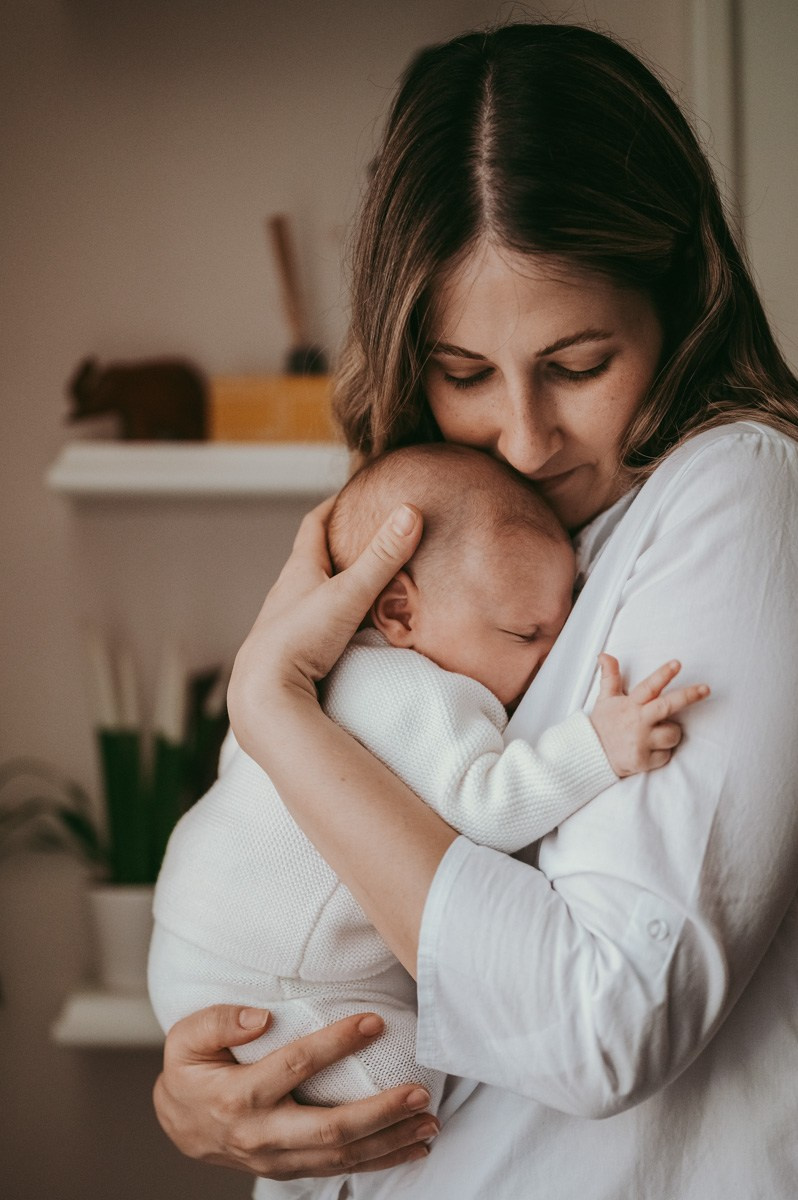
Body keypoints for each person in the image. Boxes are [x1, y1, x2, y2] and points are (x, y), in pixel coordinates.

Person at [152, 21, 798, 1200]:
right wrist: (212, 1091)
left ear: (679, 299)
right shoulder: (447, 524)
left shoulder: (737, 491)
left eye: (578, 364)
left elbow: (604, 1025)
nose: (525, 438)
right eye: (463, 375)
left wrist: (272, 711)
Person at [148, 442, 707, 1196]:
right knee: (405, 1091)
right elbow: (488, 804)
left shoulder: (321, 670)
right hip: (275, 985)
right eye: (526, 635)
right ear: (400, 611)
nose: (549, 662)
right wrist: (598, 746)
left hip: (202, 955)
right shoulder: (418, 690)